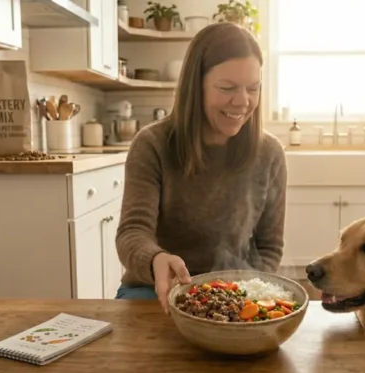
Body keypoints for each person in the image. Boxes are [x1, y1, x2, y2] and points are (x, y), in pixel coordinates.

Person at [114, 22, 288, 313]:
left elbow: (270, 246)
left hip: (233, 293)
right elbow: (132, 232)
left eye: (253, 88)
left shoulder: (270, 153)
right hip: (153, 288)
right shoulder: (152, 144)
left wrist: (245, 292)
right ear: (196, 86)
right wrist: (156, 259)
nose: (242, 101)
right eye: (227, 88)